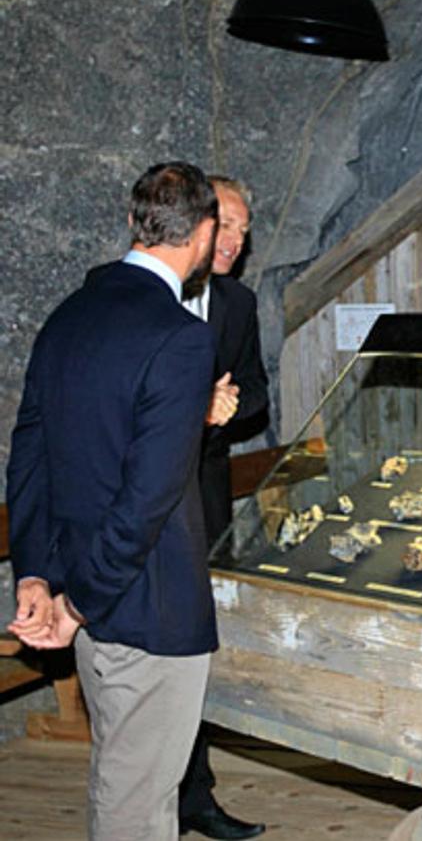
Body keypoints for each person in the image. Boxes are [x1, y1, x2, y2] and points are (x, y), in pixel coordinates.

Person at [6, 162, 222, 839]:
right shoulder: (181, 336)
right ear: (205, 234)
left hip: (88, 596)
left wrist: (36, 574)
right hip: (144, 610)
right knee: (134, 808)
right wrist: (75, 604)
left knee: (127, 788)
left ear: (134, 222)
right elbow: (146, 500)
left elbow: (30, 457)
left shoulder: (68, 316)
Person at [177, 176, 269, 839]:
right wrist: (195, 402)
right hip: (147, 495)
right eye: (226, 226)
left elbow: (257, 390)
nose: (235, 241)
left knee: (200, 645)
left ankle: (196, 795)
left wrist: (228, 406)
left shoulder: (239, 302)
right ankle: (156, 797)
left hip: (206, 494)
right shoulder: (148, 293)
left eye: (243, 229)